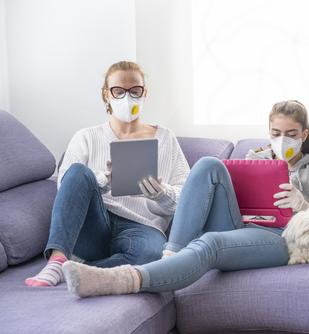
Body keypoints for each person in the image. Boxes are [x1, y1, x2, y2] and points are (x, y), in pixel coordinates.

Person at [61, 100, 309, 297]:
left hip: (279, 239)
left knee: (210, 243)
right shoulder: (253, 160)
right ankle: (171, 256)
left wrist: (305, 207)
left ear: (304, 134)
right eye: (276, 133)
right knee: (208, 164)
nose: (283, 139)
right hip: (241, 223)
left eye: (291, 133)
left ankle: (125, 279)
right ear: (268, 132)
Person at [25, 61, 189, 287]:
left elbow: (187, 196)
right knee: (79, 172)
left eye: (135, 91)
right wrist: (102, 181)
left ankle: (75, 272)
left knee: (151, 256)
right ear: (106, 94)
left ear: (144, 93)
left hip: (141, 227)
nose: (127, 97)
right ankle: (57, 260)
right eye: (119, 91)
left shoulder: (165, 138)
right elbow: (67, 188)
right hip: (94, 224)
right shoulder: (86, 137)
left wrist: (162, 193)